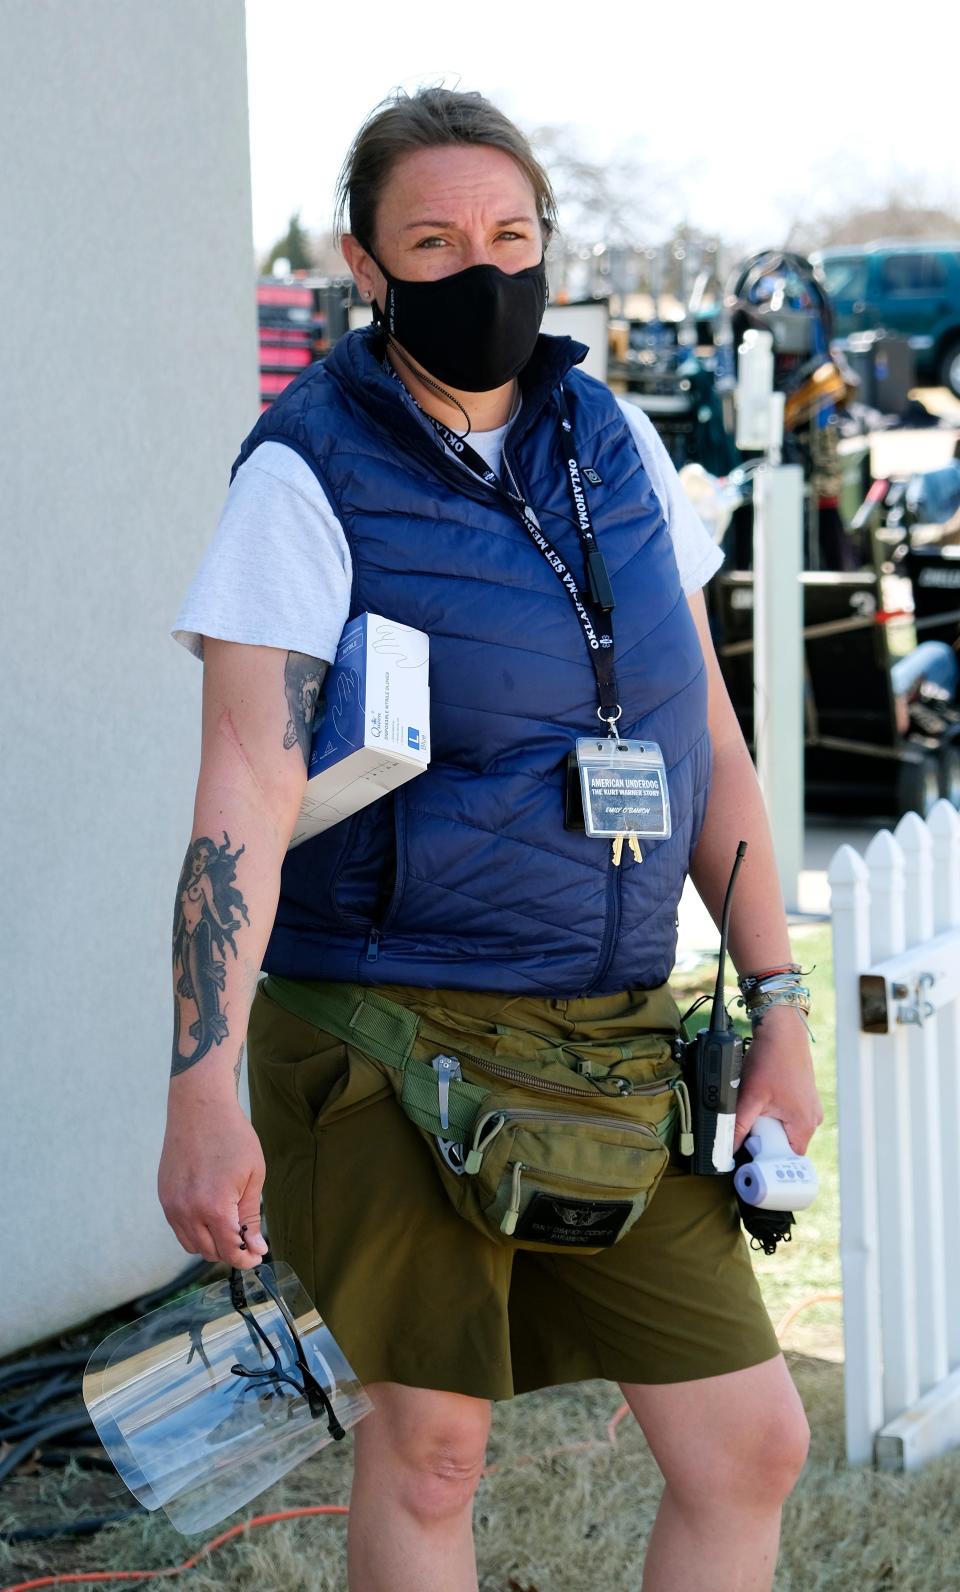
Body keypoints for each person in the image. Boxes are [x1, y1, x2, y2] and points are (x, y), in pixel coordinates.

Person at [159, 87, 821, 1592]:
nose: (486, 270)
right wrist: (204, 1088)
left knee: (750, 1441)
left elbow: (702, 739)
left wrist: (778, 1001)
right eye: (438, 241)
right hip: (390, 1028)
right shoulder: (301, 474)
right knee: (435, 1445)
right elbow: (245, 791)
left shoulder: (619, 445)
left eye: (513, 235)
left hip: (614, 1025)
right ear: (365, 263)